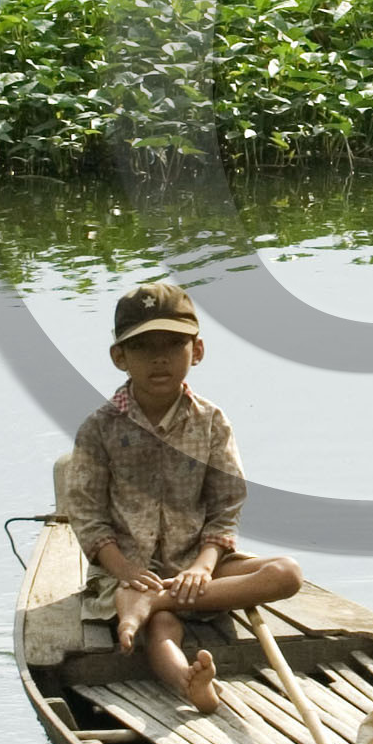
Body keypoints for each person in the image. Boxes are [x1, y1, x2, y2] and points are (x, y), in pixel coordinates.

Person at [62, 281, 302, 716]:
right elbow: (88, 517)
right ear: (120, 357)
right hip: (129, 571)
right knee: (164, 629)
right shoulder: (99, 429)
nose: (160, 358)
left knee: (287, 573)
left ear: (198, 351)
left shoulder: (211, 422)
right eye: (144, 347)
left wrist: (202, 566)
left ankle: (158, 601)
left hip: (197, 563)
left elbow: (226, 506)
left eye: (174, 345)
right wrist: (130, 574)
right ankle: (188, 682)